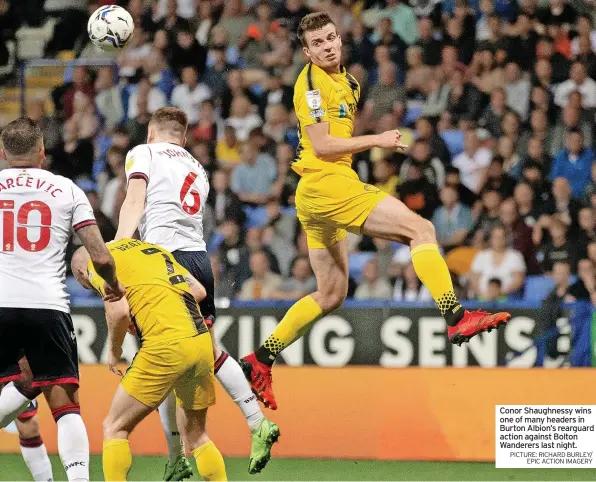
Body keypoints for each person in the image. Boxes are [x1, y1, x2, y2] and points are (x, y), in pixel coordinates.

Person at [240, 13, 511, 410]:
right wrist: (378, 139)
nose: (328, 46)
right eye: (318, 43)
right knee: (421, 230)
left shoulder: (348, 81)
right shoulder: (311, 85)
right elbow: (322, 146)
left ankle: (260, 359)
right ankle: (455, 317)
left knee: (332, 293)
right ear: (306, 51)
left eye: (331, 38)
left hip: (316, 194)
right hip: (327, 184)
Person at [114, 107, 279, 477]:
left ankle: (176, 457)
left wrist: (120, 247)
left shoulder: (144, 153)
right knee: (206, 346)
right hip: (198, 259)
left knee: (157, 355)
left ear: (151, 133)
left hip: (162, 259)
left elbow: (134, 201)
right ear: (184, 138)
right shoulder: (197, 167)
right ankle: (255, 422)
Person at [0, 118, 125, 481]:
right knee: (65, 405)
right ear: (42, 152)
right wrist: (113, 284)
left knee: (21, 386)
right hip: (47, 307)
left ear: (4, 153)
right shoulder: (67, 190)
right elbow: (100, 256)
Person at [70, 239, 227, 482]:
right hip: (199, 341)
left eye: (86, 284)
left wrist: (114, 350)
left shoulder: (96, 263)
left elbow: (118, 311)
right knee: (197, 437)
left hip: (163, 345)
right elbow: (198, 290)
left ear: (81, 272)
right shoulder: (150, 250)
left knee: (115, 427)